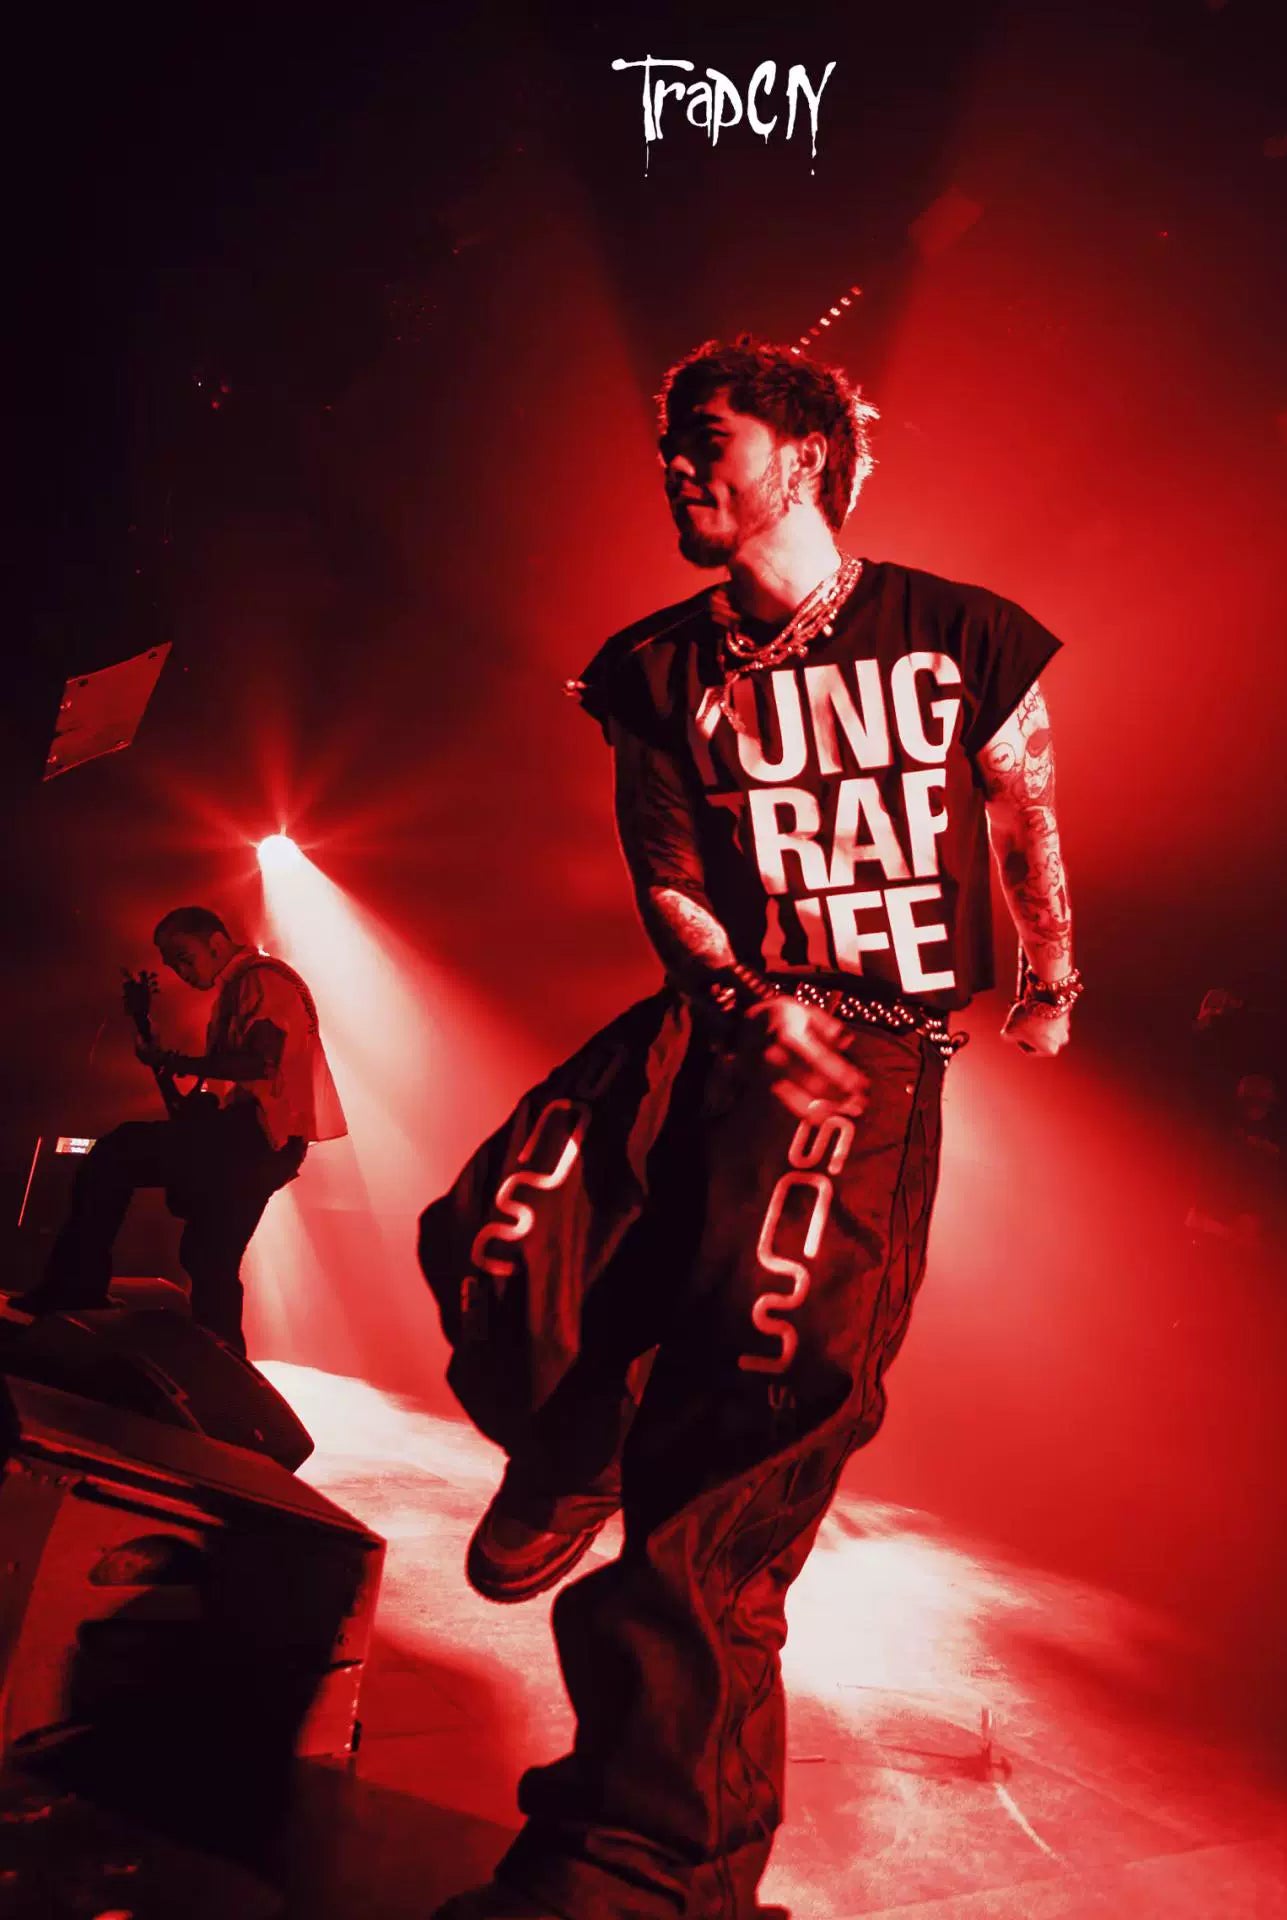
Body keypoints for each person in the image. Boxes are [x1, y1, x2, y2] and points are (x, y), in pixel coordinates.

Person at [425, 337, 1080, 1920]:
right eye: (668, 442)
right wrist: (738, 1000)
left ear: (804, 455)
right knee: (495, 1228)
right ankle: (568, 1440)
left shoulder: (959, 635)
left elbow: (1023, 811)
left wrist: (1049, 975)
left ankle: (648, 1860)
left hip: (866, 1062)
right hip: (713, 1023)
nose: (674, 464)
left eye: (703, 437)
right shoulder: (654, 669)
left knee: (751, 1417)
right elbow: (665, 877)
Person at [15, 906, 346, 1355]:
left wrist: (171, 1061)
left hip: (251, 1143)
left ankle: (75, 1287)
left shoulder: (260, 981)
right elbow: (231, 1086)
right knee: (208, 1257)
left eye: (184, 957)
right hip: (268, 1147)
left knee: (116, 1153)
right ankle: (224, 1363)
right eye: (172, 964)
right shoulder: (248, 987)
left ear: (216, 942)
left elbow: (259, 1064)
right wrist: (151, 1034)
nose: (180, 972)